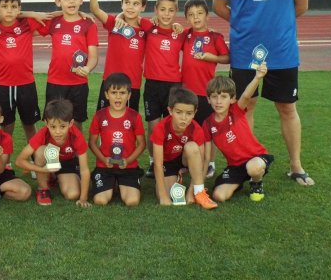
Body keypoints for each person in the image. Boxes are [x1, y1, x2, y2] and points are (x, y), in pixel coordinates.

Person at [212, 0, 314, 186]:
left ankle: (296, 166)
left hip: (282, 53)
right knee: (246, 109)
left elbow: (301, 5)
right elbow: (219, 5)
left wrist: (276, 24)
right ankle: (246, 164)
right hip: (245, 53)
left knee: (287, 108)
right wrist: (244, 23)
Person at [204, 68, 275, 202]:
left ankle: (256, 182)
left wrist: (258, 77)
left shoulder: (235, 111)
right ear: (208, 99)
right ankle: (239, 181)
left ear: (232, 99)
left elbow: (247, 96)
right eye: (214, 96)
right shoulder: (208, 124)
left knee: (253, 168)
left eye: (224, 96)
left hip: (256, 158)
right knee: (219, 196)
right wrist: (198, 185)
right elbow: (207, 156)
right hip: (235, 166)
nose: (218, 101)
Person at [0, 0, 45, 143]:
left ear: (19, 8)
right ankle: (6, 163)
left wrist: (28, 14)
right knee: (6, 127)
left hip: (26, 85)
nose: (9, 11)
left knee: (30, 125)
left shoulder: (27, 23)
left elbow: (52, 16)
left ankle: (35, 161)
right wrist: (0, 16)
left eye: (14, 7)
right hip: (3, 86)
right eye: (4, 7)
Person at [37, 0, 99, 131]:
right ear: (58, 2)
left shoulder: (89, 24)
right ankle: (56, 154)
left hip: (78, 83)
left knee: (76, 122)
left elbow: (93, 57)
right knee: (53, 122)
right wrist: (59, 13)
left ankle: (74, 153)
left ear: (81, 0)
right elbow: (27, 30)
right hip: (55, 82)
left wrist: (87, 68)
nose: (71, 1)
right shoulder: (53, 22)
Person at [181, 0, 230, 177]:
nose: (196, 18)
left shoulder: (215, 37)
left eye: (200, 13)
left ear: (207, 16)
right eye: (191, 15)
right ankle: (189, 161)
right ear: (186, 18)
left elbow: (227, 57)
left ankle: (209, 163)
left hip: (206, 92)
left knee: (207, 131)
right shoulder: (185, 35)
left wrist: (212, 58)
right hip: (187, 92)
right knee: (189, 129)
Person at [151, 86, 218, 209]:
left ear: (195, 113)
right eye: (179, 112)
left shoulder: (196, 129)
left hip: (185, 158)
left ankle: (199, 192)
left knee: (191, 146)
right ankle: (177, 177)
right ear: (170, 111)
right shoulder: (161, 128)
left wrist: (191, 192)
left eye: (189, 113)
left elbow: (202, 162)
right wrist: (163, 196)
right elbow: (158, 164)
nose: (184, 117)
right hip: (168, 162)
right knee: (167, 194)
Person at [15, 99, 91, 207]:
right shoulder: (43, 133)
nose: (58, 132)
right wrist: (42, 169)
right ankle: (43, 189)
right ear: (46, 123)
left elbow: (85, 170)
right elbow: (19, 161)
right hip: (47, 163)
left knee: (72, 194)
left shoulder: (77, 136)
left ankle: (54, 177)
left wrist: (83, 198)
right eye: (53, 126)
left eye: (62, 126)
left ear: (71, 123)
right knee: (41, 151)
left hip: (67, 163)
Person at [89, 0, 152, 113]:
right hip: (109, 81)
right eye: (127, 2)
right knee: (103, 119)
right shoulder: (114, 23)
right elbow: (95, 10)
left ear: (143, 7)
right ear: (121, 4)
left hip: (132, 84)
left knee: (128, 123)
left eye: (136, 4)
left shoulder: (145, 28)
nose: (130, 7)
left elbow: (160, 26)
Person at [143, 0, 184, 177]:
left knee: (173, 126)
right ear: (156, 10)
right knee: (153, 125)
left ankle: (173, 160)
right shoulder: (148, 28)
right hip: (152, 85)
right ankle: (153, 162)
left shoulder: (180, 33)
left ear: (176, 11)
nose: (166, 14)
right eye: (162, 10)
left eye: (170, 10)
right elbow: (127, 16)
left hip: (174, 86)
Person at [89, 73, 146, 206]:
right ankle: (111, 183)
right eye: (114, 92)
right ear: (107, 95)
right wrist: (104, 159)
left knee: (132, 201)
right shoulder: (99, 116)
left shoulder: (134, 117)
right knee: (100, 201)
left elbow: (142, 144)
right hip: (105, 166)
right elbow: (91, 143)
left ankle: (121, 184)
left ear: (129, 95)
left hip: (128, 167)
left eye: (122, 92)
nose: (118, 96)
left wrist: (128, 160)